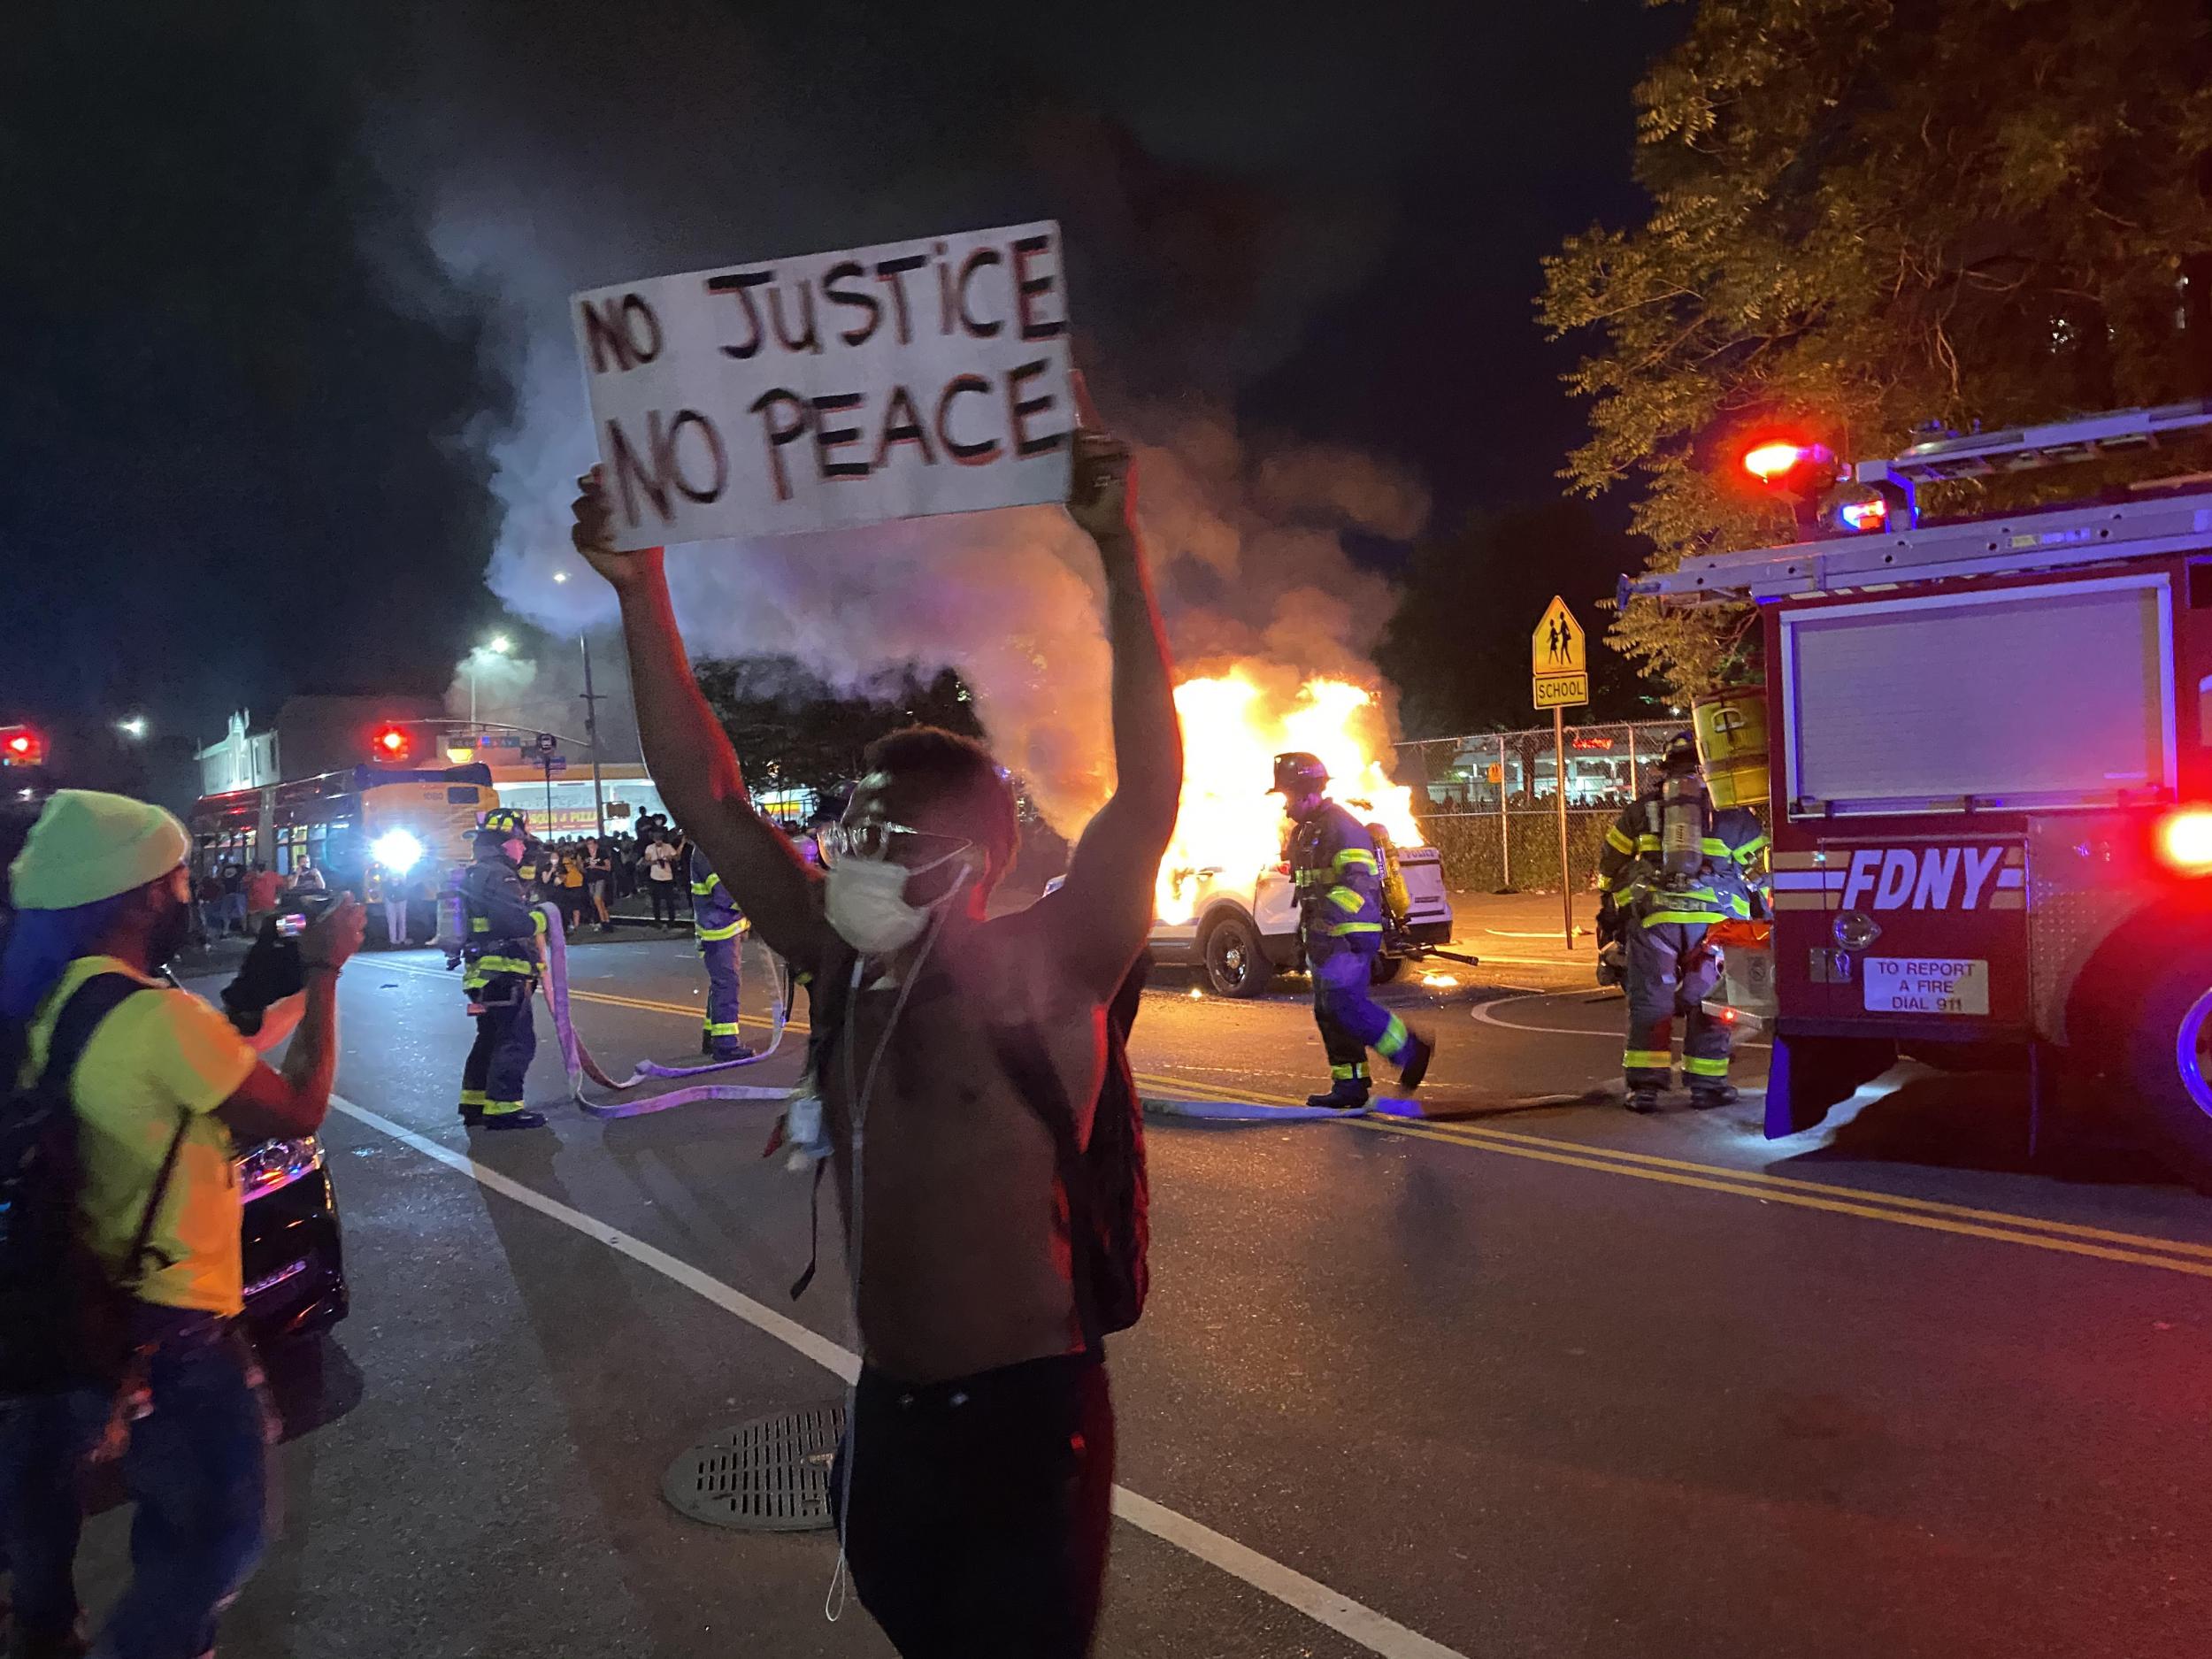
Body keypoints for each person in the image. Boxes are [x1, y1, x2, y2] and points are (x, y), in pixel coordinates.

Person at [572, 411, 1180, 1658]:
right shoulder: (838, 958)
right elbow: (710, 794)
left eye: (890, 828)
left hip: (1024, 1423)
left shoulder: (1052, 967)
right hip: (889, 1413)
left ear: (980, 854)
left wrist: (1118, 553)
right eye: (853, 822)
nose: (855, 846)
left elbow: (1148, 797)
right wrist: (646, 593)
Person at [0, 789, 365, 1659]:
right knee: (215, 1535)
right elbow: (298, 1108)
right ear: (135, 896)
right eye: (175, 879)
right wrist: (323, 972)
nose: (188, 892)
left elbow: (202, 1066)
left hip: (64, 1307)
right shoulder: (159, 1020)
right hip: (174, 1332)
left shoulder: (46, 1012)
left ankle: (45, 1628)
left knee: (42, 1497)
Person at [1594, 730, 1768, 1113]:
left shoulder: (1640, 812)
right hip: (1716, 928)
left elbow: (1609, 867)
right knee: (1710, 1004)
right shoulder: (1735, 817)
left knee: (1651, 1002)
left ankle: (1645, 1090)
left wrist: (1613, 910)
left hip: (1657, 921)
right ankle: (1707, 1087)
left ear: (1665, 768)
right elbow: (1764, 873)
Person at [1272, 752, 1436, 1109]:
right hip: (1325, 937)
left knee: (1346, 1006)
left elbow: (1358, 884)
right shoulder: (1308, 831)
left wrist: (1327, 922)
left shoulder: (1340, 827)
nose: (1285, 808)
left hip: (1348, 934)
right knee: (1328, 1011)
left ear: (1307, 793)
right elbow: (1309, 890)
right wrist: (1308, 933)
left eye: (1287, 798)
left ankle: (1410, 1050)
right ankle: (1349, 1084)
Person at [457, 808, 549, 1132]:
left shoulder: (478, 871)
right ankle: (503, 1109)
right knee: (516, 1040)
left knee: (489, 1038)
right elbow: (514, 921)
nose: (522, 848)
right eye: (518, 841)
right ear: (502, 843)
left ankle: (475, 1103)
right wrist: (543, 918)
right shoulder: (499, 875)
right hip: (505, 973)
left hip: (482, 973)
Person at [688, 844, 752, 1060]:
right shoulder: (706, 852)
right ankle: (725, 1045)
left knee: (720, 984)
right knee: (727, 984)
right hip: (718, 931)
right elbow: (723, 894)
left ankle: (712, 1036)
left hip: (719, 928)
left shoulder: (707, 850)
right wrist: (753, 906)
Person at [641, 831, 679, 927]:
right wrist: (654, 862)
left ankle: (672, 920)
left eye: (660, 839)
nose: (659, 841)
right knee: (656, 900)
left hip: (667, 876)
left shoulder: (668, 846)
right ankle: (657, 920)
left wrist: (670, 858)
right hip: (655, 877)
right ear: (654, 840)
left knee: (669, 900)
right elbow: (646, 862)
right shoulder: (649, 848)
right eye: (657, 839)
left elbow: (677, 857)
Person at [584, 838, 613, 931]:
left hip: (600, 878)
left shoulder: (602, 853)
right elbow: (583, 866)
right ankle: (606, 920)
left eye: (591, 844)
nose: (590, 846)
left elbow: (608, 867)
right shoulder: (586, 855)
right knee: (598, 901)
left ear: (596, 845)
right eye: (588, 844)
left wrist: (596, 866)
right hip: (590, 880)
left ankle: (603, 920)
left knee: (597, 898)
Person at [242, 862, 280, 932]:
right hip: (254, 905)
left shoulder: (273, 876)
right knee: (252, 920)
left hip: (268, 905)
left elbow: (282, 886)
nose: (256, 874)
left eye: (257, 872)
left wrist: (278, 897)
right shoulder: (251, 877)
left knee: (269, 918)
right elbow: (243, 885)